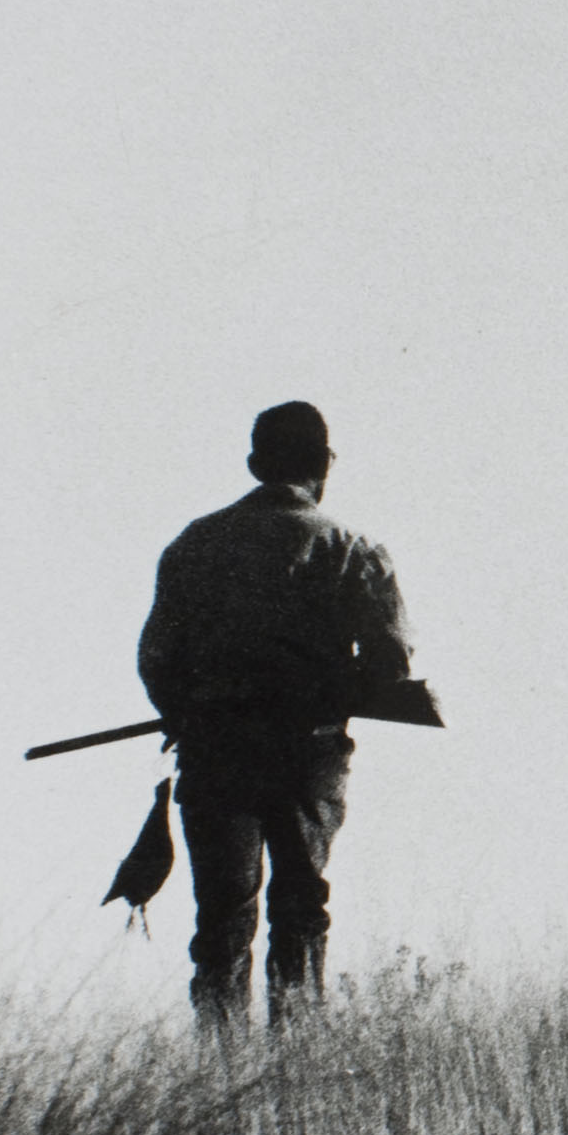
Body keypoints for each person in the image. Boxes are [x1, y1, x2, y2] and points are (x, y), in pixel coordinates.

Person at [137, 401, 414, 1023]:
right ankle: (298, 1051)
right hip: (307, 752)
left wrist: (188, 714)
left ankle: (221, 1057)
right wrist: (330, 687)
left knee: (222, 912)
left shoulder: (193, 544)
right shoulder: (352, 548)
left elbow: (155, 658)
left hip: (215, 751)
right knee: (300, 906)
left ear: (255, 464)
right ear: (325, 464)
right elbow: (391, 661)